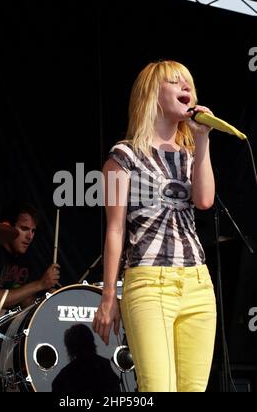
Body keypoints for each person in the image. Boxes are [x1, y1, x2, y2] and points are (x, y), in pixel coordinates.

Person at [92, 60, 217, 392]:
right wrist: (108, 295)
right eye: (175, 83)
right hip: (149, 282)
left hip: (197, 282)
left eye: (188, 83)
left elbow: (205, 201)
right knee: (158, 387)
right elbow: (115, 229)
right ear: (151, 94)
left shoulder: (191, 153)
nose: (185, 88)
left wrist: (202, 141)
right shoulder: (124, 156)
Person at [0, 202, 60, 320]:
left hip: (6, 327)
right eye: (24, 229)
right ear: (7, 227)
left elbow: (25, 301)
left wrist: (45, 300)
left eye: (33, 231)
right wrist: (39, 284)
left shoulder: (25, 256)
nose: (30, 237)